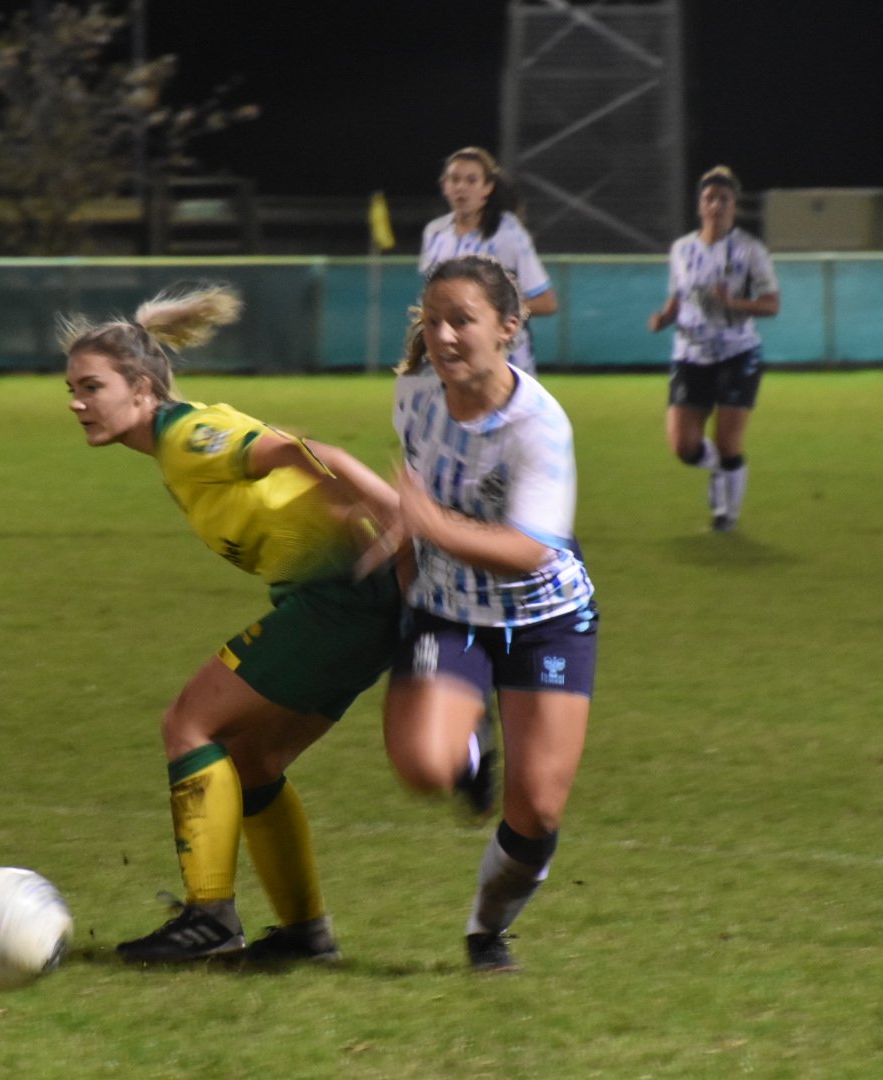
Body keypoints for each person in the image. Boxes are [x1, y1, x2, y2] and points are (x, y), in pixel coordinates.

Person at [61, 284, 403, 965]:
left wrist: (396, 513)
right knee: (254, 760)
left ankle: (208, 916)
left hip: (338, 602)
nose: (76, 403)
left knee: (188, 724)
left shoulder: (190, 436)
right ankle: (305, 934)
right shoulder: (177, 445)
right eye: (71, 389)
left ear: (142, 389)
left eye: (91, 387)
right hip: (357, 609)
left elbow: (311, 452)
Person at [384, 255, 598, 973]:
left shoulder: (540, 425)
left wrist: (423, 522)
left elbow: (528, 553)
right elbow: (412, 511)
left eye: (461, 321)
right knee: (422, 764)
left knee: (535, 812)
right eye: (432, 320)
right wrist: (410, 582)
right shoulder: (414, 398)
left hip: (544, 618)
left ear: (509, 328)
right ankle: (469, 736)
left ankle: (487, 930)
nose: (442, 336)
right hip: (448, 609)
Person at [647, 165, 781, 532]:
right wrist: (664, 317)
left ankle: (726, 518)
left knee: (728, 441)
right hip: (690, 355)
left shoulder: (750, 250)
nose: (717, 204)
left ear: (734, 205)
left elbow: (771, 304)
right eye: (710, 198)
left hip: (738, 353)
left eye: (724, 198)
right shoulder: (681, 250)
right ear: (699, 205)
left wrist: (735, 303)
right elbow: (678, 297)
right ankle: (718, 470)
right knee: (682, 446)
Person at [419, 147, 557, 375]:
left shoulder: (507, 233)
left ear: (487, 188)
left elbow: (546, 302)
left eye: (471, 180)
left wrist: (489, 314)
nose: (461, 187)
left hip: (505, 363)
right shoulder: (435, 234)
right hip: (452, 360)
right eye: (454, 179)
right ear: (445, 185)